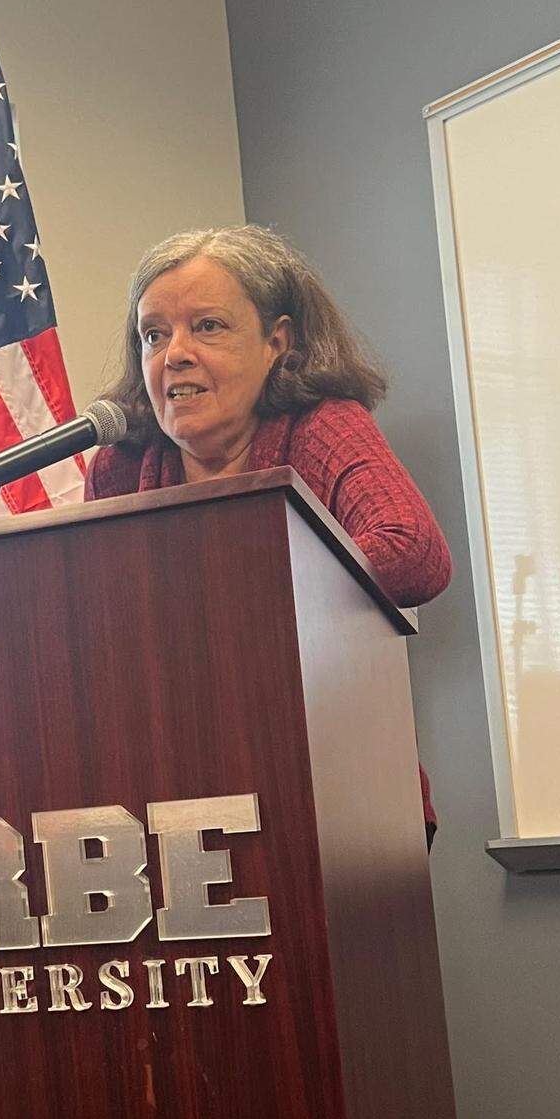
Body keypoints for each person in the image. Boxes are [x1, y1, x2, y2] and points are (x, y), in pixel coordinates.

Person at [88, 224, 451, 842]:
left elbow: (413, 551)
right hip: (165, 800)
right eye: (154, 334)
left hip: (335, 793)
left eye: (207, 326)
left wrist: (227, 592)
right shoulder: (122, 466)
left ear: (275, 343)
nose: (174, 352)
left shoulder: (320, 428)